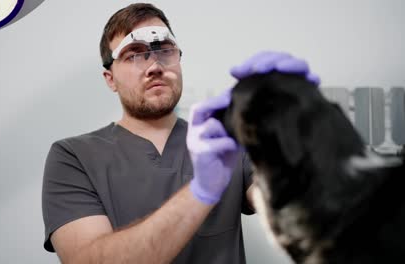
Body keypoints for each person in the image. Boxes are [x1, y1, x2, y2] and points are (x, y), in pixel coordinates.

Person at [41, 3, 319, 263]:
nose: (154, 66)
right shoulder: (73, 157)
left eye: (164, 49)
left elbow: (302, 207)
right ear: (110, 79)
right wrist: (201, 191)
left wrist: (300, 127)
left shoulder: (227, 142)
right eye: (134, 54)